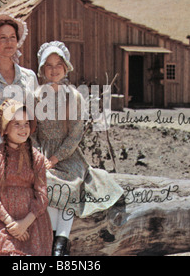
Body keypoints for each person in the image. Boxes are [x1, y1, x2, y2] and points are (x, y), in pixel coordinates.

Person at [33, 41, 125, 256]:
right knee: (45, 183)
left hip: (68, 154)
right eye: (49, 65)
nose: (54, 70)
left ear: (66, 67)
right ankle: (54, 235)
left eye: (58, 64)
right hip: (43, 153)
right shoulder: (36, 96)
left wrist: (56, 157)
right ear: (42, 69)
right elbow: (32, 133)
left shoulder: (73, 96)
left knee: (69, 185)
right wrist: (39, 155)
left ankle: (61, 243)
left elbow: (76, 134)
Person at [0, 99, 53, 256]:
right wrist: (11, 223)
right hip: (1, 221)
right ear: (5, 128)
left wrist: (24, 224)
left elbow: (42, 195)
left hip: (31, 221)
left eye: (26, 123)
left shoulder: (36, 158)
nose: (23, 128)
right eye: (17, 124)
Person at [0, 12, 38, 175]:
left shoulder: (29, 76)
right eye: (3, 38)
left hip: (23, 135)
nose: (9, 42)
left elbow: (34, 114)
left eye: (12, 37)